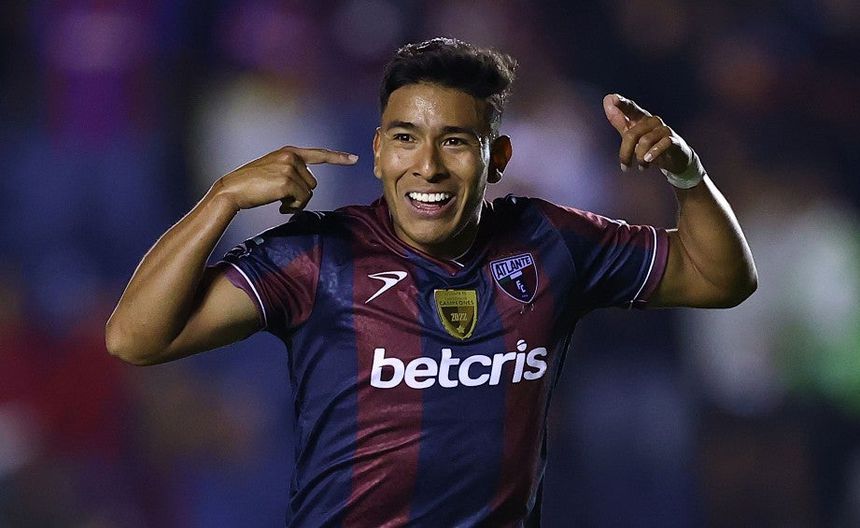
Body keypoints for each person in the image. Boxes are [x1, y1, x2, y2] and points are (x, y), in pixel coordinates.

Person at [106, 37, 756, 526]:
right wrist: (221, 199)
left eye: (454, 142)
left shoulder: (549, 241)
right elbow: (133, 338)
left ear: (496, 157)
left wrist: (687, 175)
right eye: (406, 138)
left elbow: (718, 279)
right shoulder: (319, 254)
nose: (427, 166)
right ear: (379, 151)